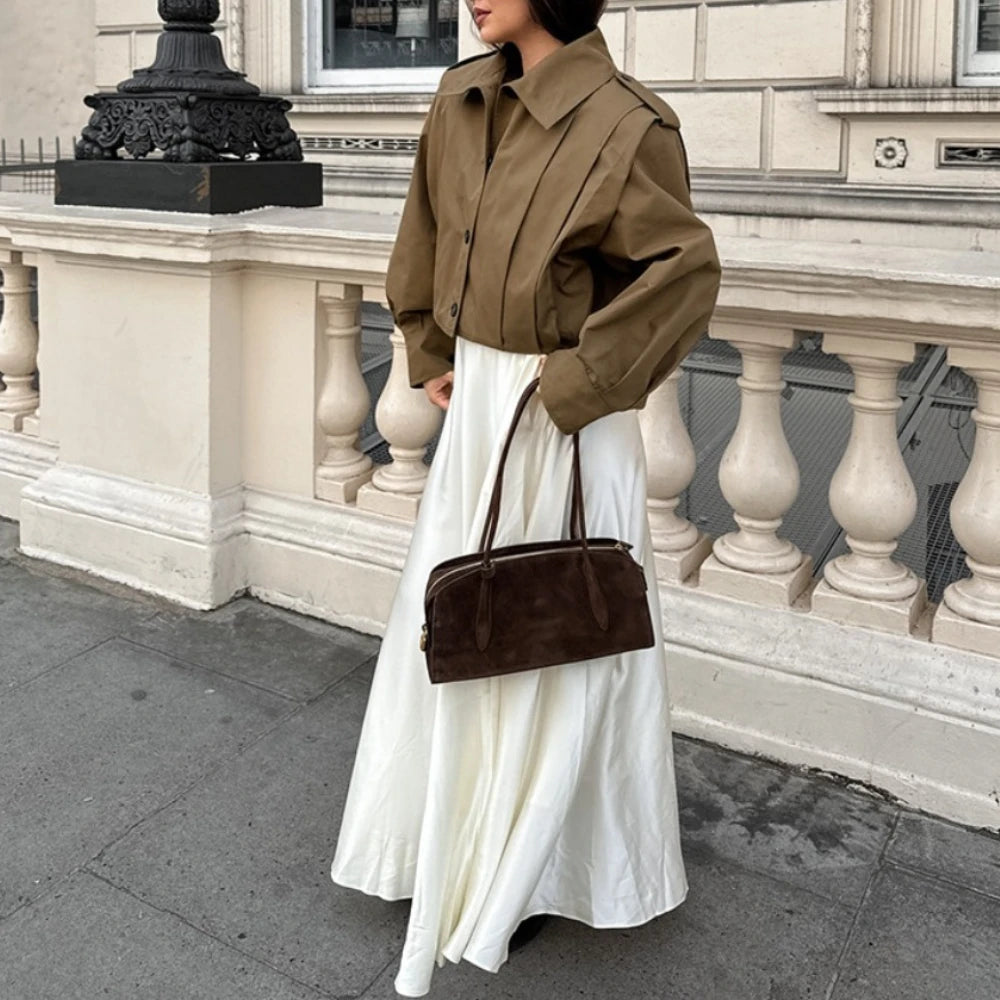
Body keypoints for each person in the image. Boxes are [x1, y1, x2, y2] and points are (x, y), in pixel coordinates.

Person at [330, 1, 722, 995]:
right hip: (475, 394)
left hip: (563, 405)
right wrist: (426, 347)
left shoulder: (628, 122)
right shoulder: (460, 96)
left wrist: (571, 385)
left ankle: (534, 860)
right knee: (462, 606)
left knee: (556, 624)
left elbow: (682, 270)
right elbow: (420, 228)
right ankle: (439, 830)